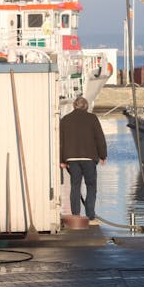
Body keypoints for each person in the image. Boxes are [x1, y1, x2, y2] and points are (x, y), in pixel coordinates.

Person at [60, 95, 107, 224]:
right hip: (89, 158)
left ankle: (76, 215)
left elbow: (61, 142)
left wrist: (62, 160)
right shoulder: (92, 118)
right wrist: (103, 155)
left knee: (75, 186)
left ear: (74, 105)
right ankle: (90, 216)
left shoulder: (65, 119)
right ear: (86, 106)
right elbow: (99, 138)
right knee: (91, 186)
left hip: (72, 159)